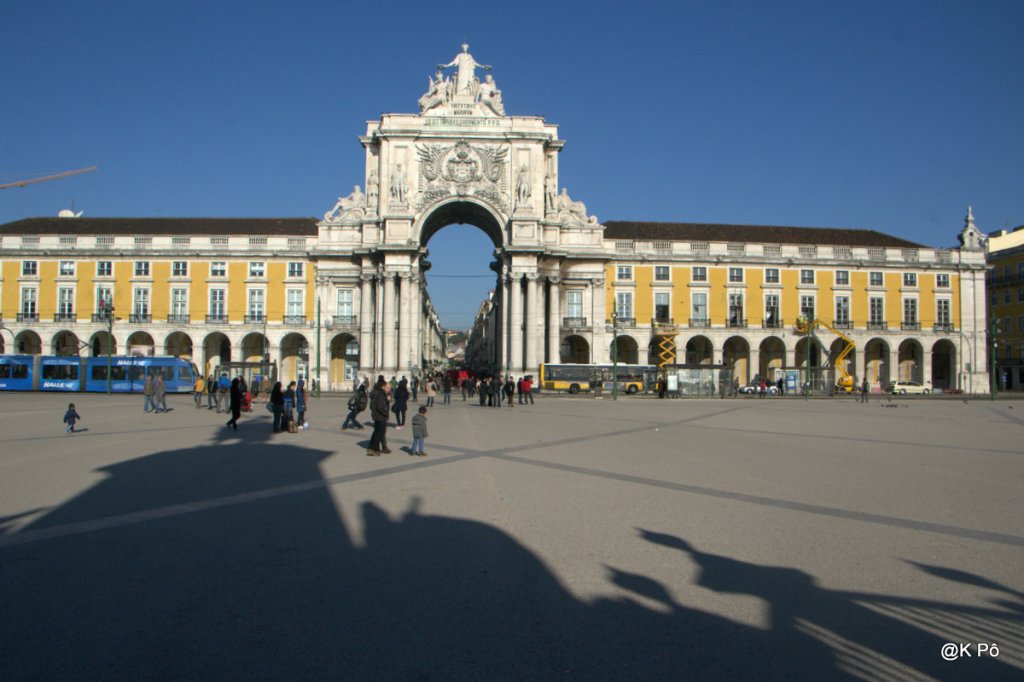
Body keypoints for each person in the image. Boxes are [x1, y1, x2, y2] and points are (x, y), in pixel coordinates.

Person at [367, 378, 391, 456]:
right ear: (383, 386)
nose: (389, 390)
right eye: (388, 388)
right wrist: (385, 413)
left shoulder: (376, 392)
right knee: (379, 434)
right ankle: (373, 449)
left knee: (376, 432)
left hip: (376, 416)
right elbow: (380, 406)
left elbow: (373, 406)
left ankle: (375, 449)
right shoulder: (380, 394)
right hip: (381, 416)